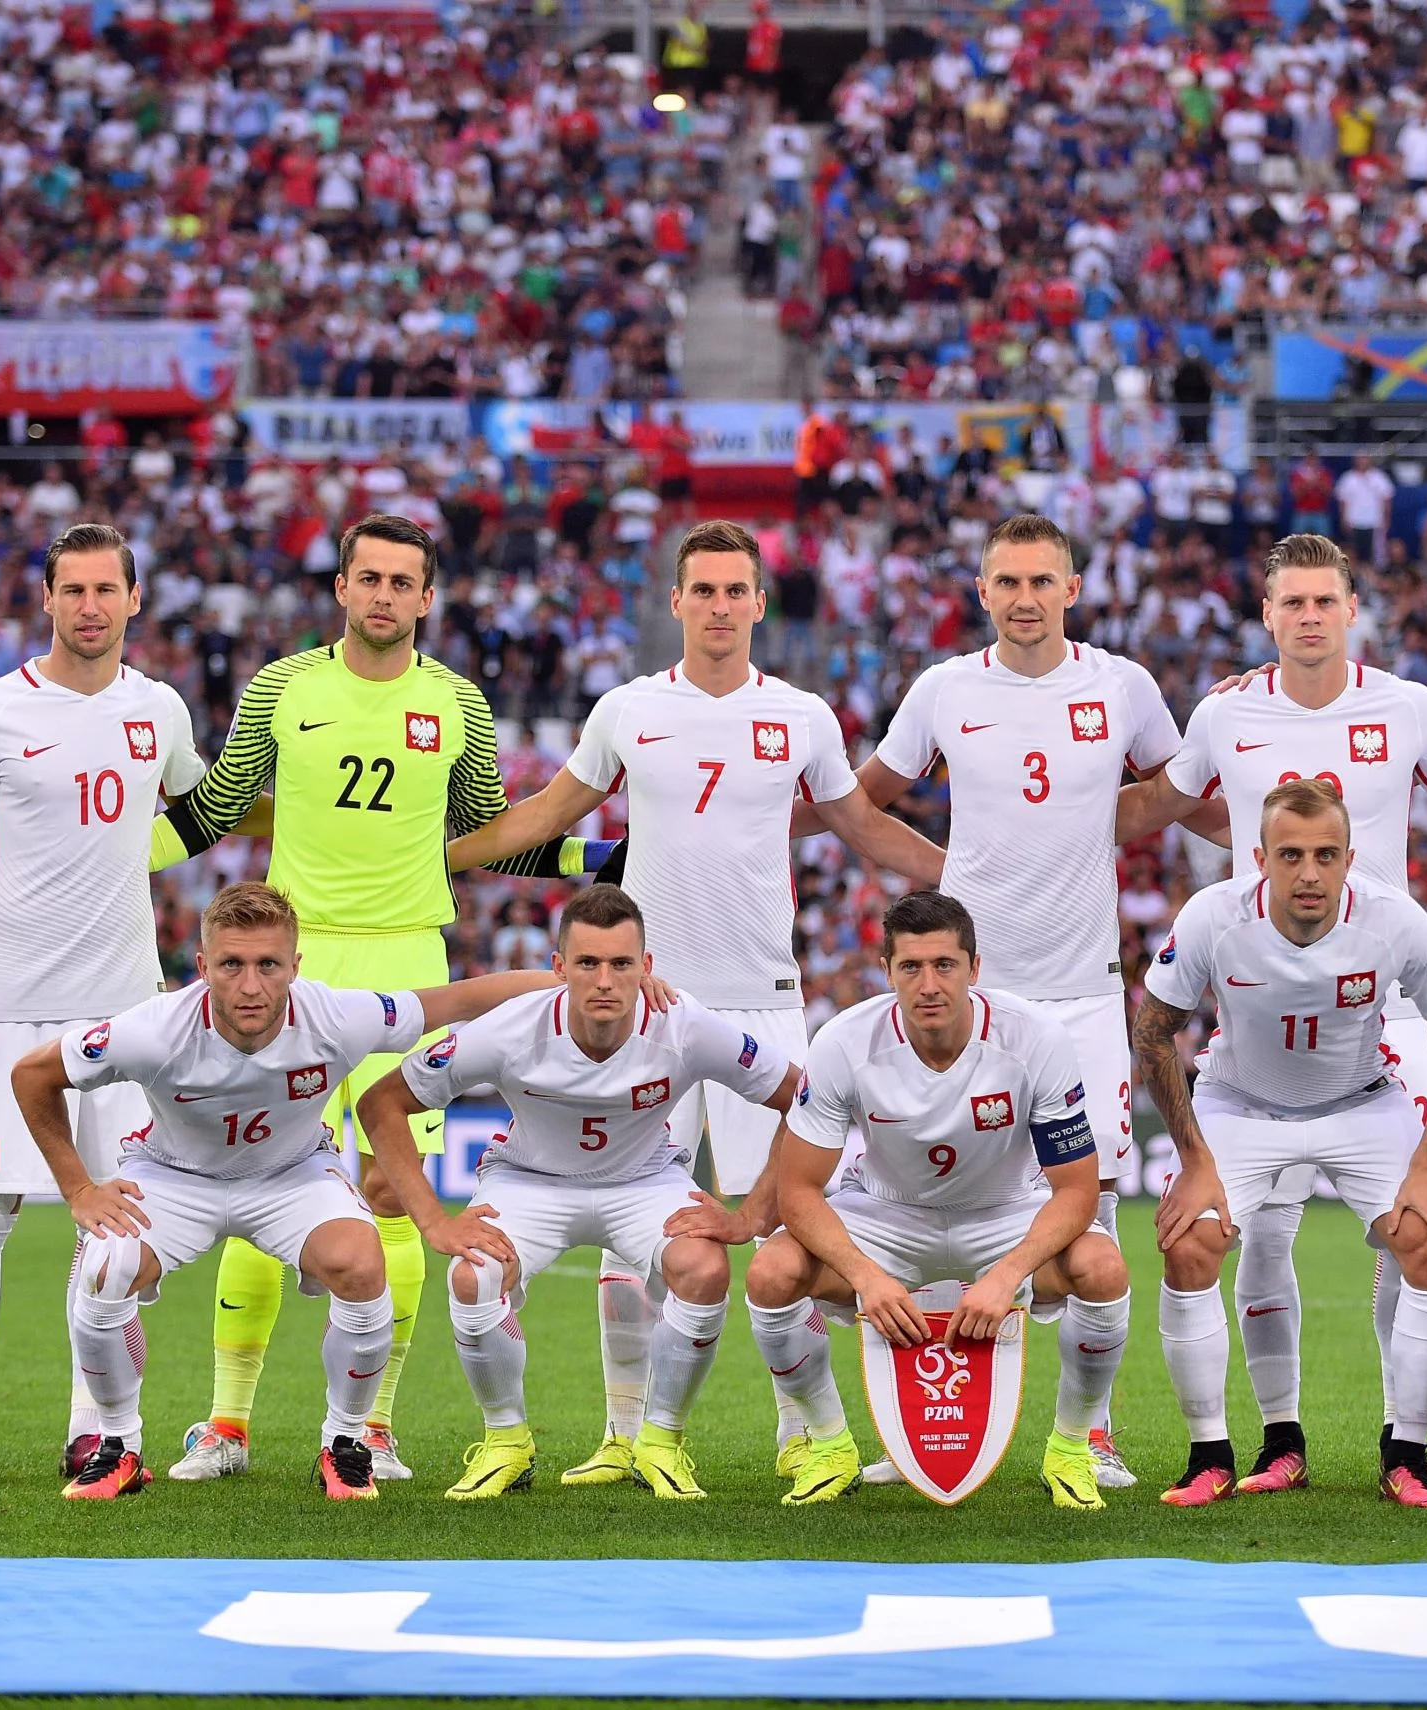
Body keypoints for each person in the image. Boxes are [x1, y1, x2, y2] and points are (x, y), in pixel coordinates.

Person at [439, 519, 940, 1485]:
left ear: (760, 602)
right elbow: (548, 815)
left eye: (734, 591)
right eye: (701, 591)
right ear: (675, 603)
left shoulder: (801, 716)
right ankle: (627, 1433)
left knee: (792, 1230)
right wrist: (439, 856)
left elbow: (863, 827)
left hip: (762, 1003)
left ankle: (805, 1434)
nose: (718, 607)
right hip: (645, 1007)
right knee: (637, 1232)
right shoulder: (628, 709)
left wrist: (969, 880)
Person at [152, 514, 609, 1484]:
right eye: (370, 577)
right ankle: (226, 1428)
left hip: (410, 968)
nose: (385, 595)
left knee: (392, 1197)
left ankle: (372, 1428)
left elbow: (489, 831)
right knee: (256, 1185)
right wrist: (105, 851)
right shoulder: (283, 686)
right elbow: (220, 804)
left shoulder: (458, 704)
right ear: (342, 588)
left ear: (428, 598)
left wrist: (607, 857)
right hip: (290, 972)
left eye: (405, 581)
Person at [806, 512, 1181, 1490]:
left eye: (1042, 581)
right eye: (1007, 582)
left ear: (1072, 588)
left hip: (1086, 998)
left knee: (1086, 1221)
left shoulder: (1122, 688)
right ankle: (919, 1431)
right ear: (983, 592)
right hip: (968, 994)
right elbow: (861, 800)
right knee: (932, 1198)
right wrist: (948, 871)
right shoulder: (943, 691)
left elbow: (1176, 793)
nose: (1025, 598)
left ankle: (1086, 1435)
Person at [1119, 534, 1427, 1495]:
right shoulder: (1225, 711)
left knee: (1414, 1229)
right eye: (1292, 603)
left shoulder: (1410, 708)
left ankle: (1400, 1441)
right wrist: (1037, 826)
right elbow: (1164, 802)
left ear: (1351, 608)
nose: (1310, 617)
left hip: (1388, 1001)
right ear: (1268, 616)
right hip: (1258, 1007)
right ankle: (1274, 1442)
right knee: (1264, 1233)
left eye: (1325, 600)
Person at [11, 882, 559, 1502]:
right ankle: (118, 1445)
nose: (250, 986)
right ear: (202, 967)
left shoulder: (335, 1017)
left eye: (268, 965)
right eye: (232, 965)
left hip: (291, 1175)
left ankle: (346, 1444)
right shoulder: (153, 1030)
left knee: (360, 1260)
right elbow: (32, 1075)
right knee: (105, 1264)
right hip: (175, 1177)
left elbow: (460, 999)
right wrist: (79, 1188)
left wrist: (581, 986)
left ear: (295, 967)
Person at [0, 522, 209, 1490]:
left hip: (127, 1019)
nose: (88, 607)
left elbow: (199, 818)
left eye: (103, 591)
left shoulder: (159, 711)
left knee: (115, 1228)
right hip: (15, 1009)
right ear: (45, 599)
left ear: (132, 601)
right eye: (70, 589)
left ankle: (99, 1431)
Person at [355, 884, 802, 1502]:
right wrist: (433, 1221)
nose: (604, 980)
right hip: (530, 1183)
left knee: (703, 1268)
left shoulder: (686, 1026)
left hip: (645, 1182)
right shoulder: (510, 1029)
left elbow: (804, 1099)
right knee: (472, 1273)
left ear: (647, 967)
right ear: (558, 967)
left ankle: (662, 1442)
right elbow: (380, 1102)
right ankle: (506, 1441)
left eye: (621, 964)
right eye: (587, 963)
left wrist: (754, 1214)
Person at [1133, 778, 1427, 1508]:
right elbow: (1153, 1030)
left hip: (1361, 1105)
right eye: (1290, 855)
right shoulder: (1213, 917)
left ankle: (1409, 1454)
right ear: (1259, 858)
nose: (1308, 873)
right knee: (1189, 1241)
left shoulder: (1392, 920)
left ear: (1350, 858)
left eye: (1326, 855)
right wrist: (1197, 1162)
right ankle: (1210, 1453)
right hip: (1241, 1107)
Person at [745, 891, 1134, 1510]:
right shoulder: (844, 1042)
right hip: (886, 1217)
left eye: (945, 965)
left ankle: (1072, 1448)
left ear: (975, 969)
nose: (929, 984)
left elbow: (1078, 1190)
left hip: (1005, 1214)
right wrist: (866, 1277)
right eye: (911, 967)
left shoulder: (1037, 1039)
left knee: (1104, 1268)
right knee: (771, 1272)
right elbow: (796, 1190)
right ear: (886, 969)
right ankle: (828, 1443)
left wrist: (1008, 1276)